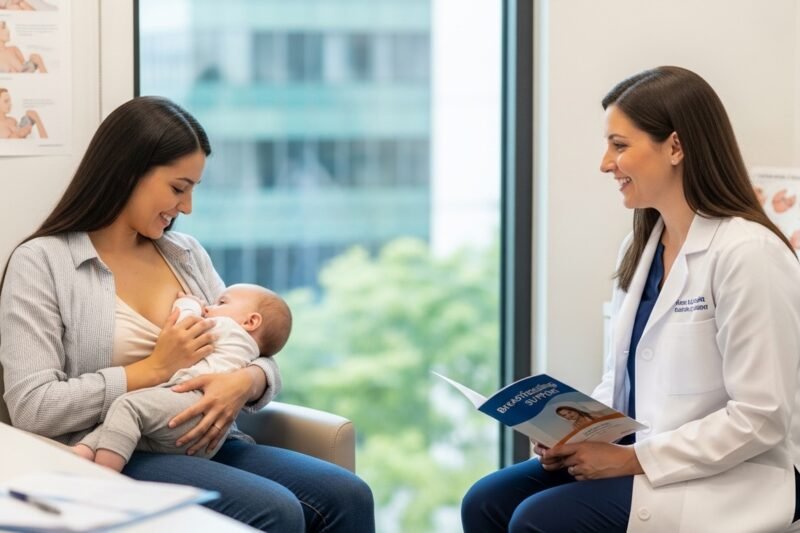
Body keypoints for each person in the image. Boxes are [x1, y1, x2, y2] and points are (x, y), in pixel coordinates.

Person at [0, 96, 374, 532]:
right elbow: (32, 408)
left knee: (347, 494)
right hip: (113, 450)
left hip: (206, 440)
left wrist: (246, 381)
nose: (188, 207)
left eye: (193, 189)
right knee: (276, 510)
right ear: (128, 172)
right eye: (179, 188)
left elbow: (252, 341)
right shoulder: (42, 263)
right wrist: (154, 368)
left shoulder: (186, 254)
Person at [461, 66, 800, 532]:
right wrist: (572, 436)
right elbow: (618, 380)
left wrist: (631, 460)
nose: (605, 163)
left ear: (676, 147)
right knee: (486, 501)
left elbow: (761, 418)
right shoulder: (640, 248)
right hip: (641, 453)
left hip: (729, 478)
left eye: (620, 145)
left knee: (537, 521)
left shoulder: (749, 254)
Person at [73, 285, 292, 472]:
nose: (209, 307)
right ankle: (81, 453)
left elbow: (185, 326)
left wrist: (189, 304)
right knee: (123, 425)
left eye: (221, 302)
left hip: (194, 403)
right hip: (204, 435)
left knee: (127, 407)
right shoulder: (249, 349)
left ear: (251, 321)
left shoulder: (228, 328)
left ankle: (105, 476)